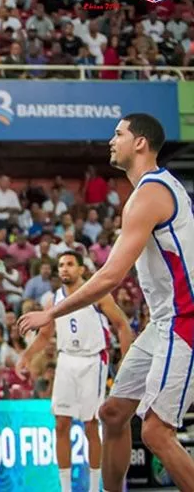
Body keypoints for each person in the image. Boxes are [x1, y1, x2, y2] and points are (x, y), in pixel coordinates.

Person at [20, 114, 194, 492]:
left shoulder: (149, 194)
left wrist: (51, 311)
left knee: (155, 432)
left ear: (141, 143)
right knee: (112, 414)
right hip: (164, 321)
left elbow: (111, 277)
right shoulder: (156, 190)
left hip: (185, 321)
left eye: (119, 134)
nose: (111, 140)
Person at [17, 251, 132, 492]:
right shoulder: (54, 300)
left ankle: (93, 487)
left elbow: (122, 325)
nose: (64, 269)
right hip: (66, 359)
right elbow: (46, 335)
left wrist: (126, 360)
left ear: (81, 269)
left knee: (90, 425)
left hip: (93, 359)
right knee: (61, 424)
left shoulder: (98, 294)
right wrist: (26, 357)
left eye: (70, 264)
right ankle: (65, 488)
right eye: (60, 265)